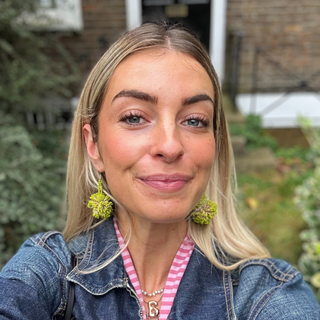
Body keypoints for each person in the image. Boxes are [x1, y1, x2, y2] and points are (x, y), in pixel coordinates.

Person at [0, 22, 319, 320]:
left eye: (195, 120)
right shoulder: (49, 273)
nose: (170, 146)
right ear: (93, 145)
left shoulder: (262, 292)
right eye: (135, 117)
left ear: (215, 144)